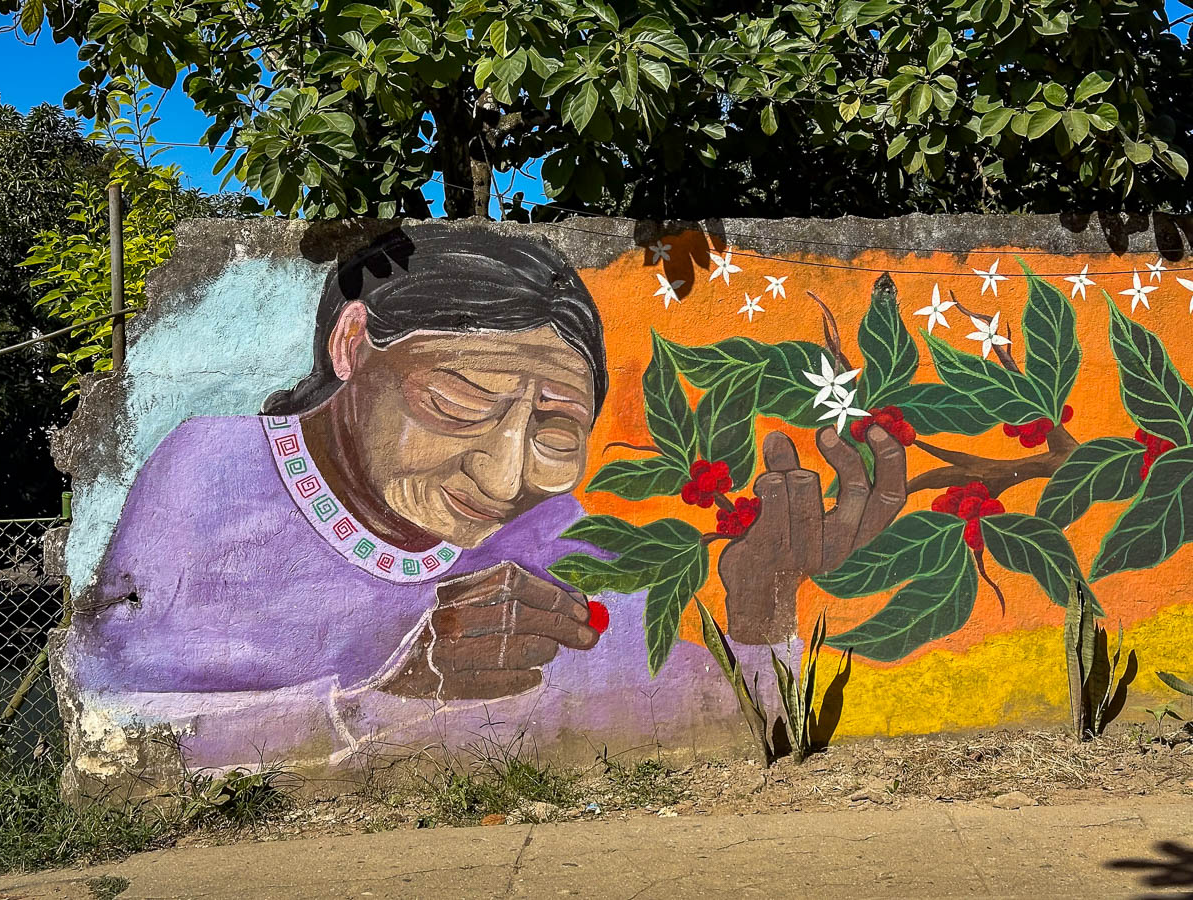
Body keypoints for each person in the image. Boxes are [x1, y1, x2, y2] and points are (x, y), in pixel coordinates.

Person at [56, 226, 905, 778]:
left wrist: (759, 610)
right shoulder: (213, 471)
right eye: (459, 402)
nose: (504, 480)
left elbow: (711, 717)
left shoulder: (555, 536)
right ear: (353, 343)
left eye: (556, 428)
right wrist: (388, 693)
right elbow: (119, 729)